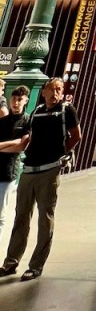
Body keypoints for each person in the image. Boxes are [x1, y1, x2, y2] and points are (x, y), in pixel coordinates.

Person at [0, 77, 80, 281]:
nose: (56, 93)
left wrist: (61, 153)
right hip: (29, 170)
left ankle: (36, 265)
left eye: (59, 89)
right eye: (52, 89)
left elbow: (76, 136)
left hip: (49, 170)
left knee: (45, 218)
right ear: (44, 92)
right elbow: (29, 138)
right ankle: (11, 262)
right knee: (21, 217)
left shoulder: (66, 110)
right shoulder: (37, 112)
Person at [0, 87, 31, 246]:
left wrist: (3, 145)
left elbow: (21, 146)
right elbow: (16, 143)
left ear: (26, 101)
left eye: (20, 99)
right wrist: (12, 142)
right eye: (13, 98)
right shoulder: (3, 121)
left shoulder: (27, 121)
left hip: (8, 172)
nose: (16, 102)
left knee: (0, 213)